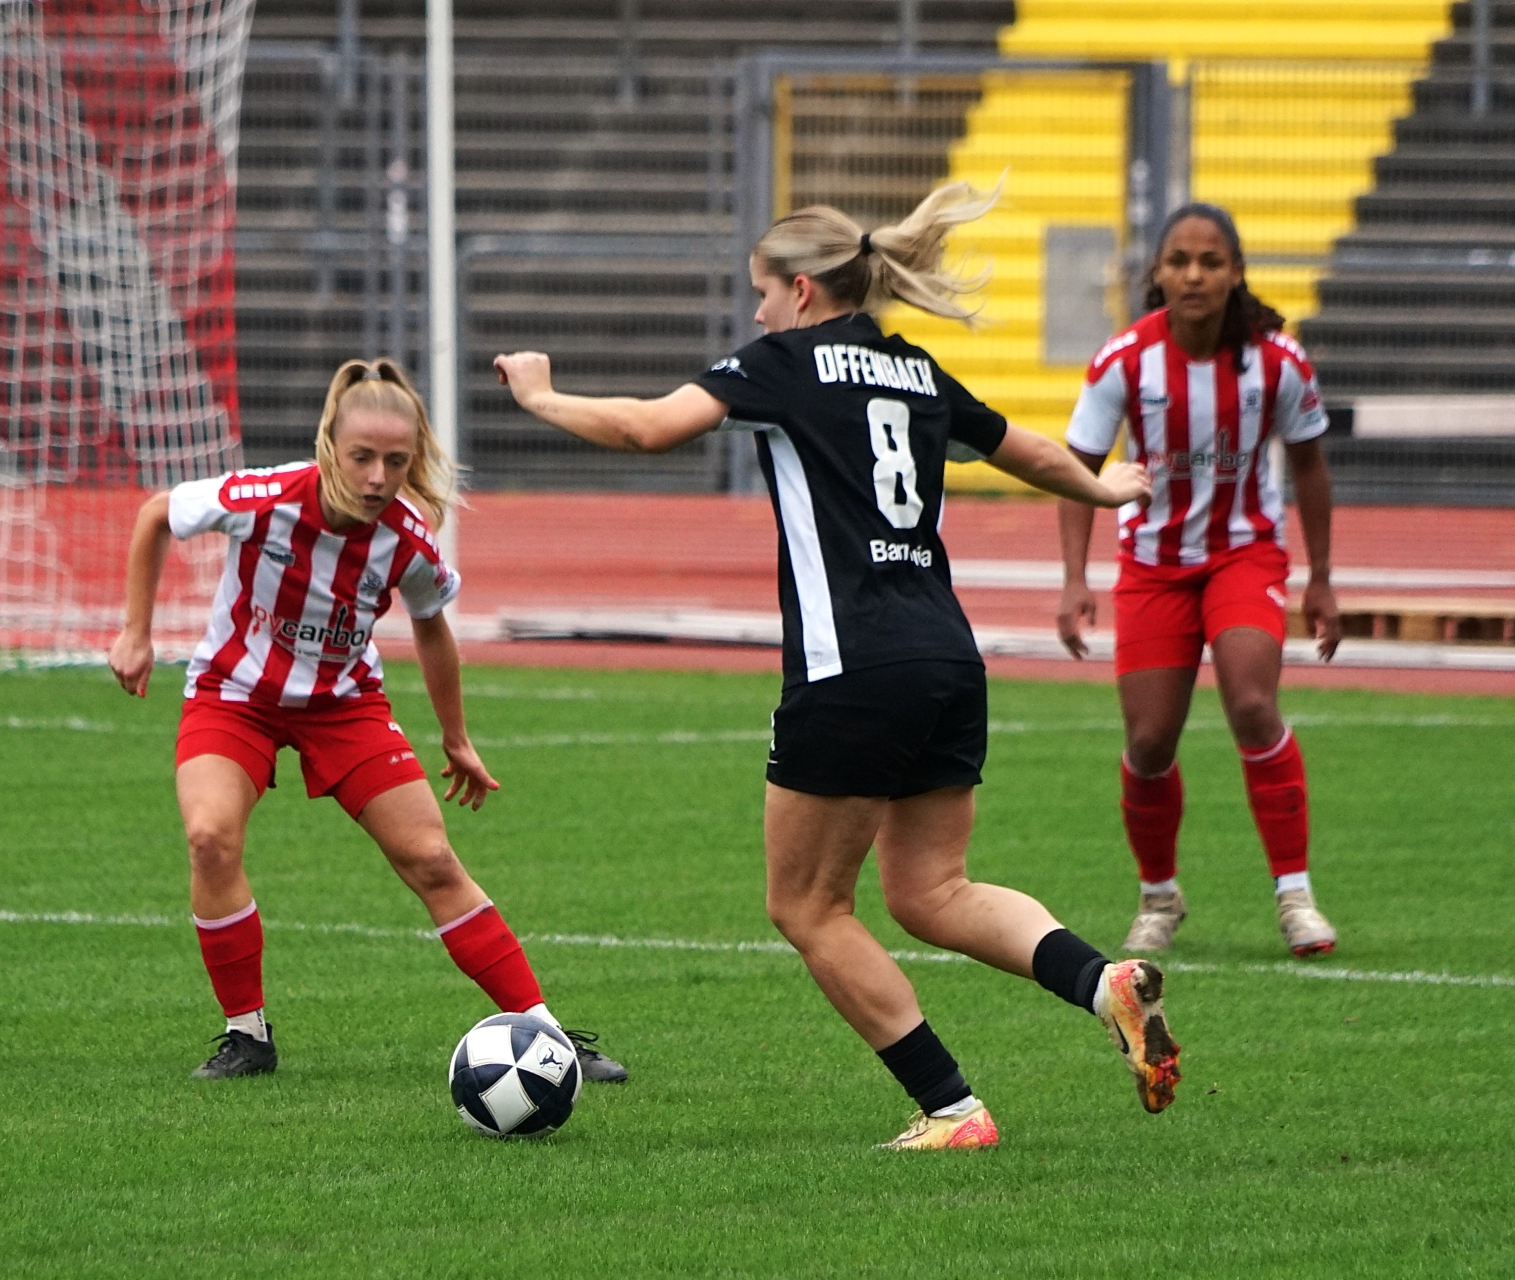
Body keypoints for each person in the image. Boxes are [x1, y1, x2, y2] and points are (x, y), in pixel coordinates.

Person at [493, 183, 1179, 1150]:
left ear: (804, 290)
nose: (757, 313)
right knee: (933, 891)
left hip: (850, 665)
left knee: (807, 906)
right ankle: (1101, 982)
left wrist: (539, 396)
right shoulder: (914, 368)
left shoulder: (783, 363)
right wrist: (1104, 490)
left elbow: (650, 427)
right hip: (947, 655)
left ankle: (952, 1109)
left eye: (763, 293)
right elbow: (1023, 447)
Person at [106, 357, 626, 1083]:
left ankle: (545, 1036)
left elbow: (432, 628)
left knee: (432, 858)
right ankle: (247, 1036)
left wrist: (456, 738)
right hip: (235, 695)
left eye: (396, 461)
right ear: (329, 444)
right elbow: (156, 514)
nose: (378, 477)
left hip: (344, 706)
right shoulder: (264, 498)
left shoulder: (408, 538)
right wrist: (136, 632)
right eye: (362, 457)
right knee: (209, 839)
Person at [1056, 202, 1343, 958]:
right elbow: (1076, 470)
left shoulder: (1278, 360)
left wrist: (1321, 578)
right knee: (1150, 739)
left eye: (1210, 262)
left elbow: (1311, 466)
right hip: (1153, 567)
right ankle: (1159, 896)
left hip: (1244, 554)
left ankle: (1295, 895)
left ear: (1236, 273)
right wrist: (1074, 577)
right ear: (1157, 273)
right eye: (1179, 260)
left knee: (1251, 702)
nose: (1193, 275)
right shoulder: (1123, 360)